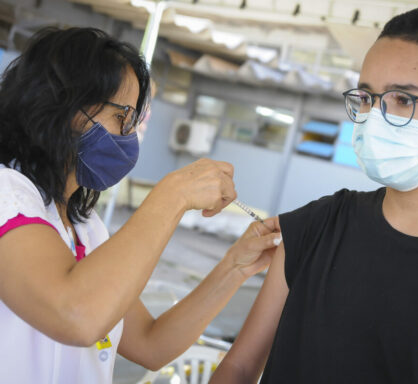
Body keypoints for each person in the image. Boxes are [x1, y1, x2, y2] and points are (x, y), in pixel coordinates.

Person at [210, 7, 418, 384]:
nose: (374, 116)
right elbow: (238, 369)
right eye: (368, 97)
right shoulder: (319, 225)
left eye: (403, 99)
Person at [0, 27, 282, 383]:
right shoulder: (6, 193)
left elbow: (151, 344)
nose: (129, 137)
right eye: (123, 117)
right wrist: (174, 193)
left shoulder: (86, 229)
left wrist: (236, 265)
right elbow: (75, 314)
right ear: (69, 106)